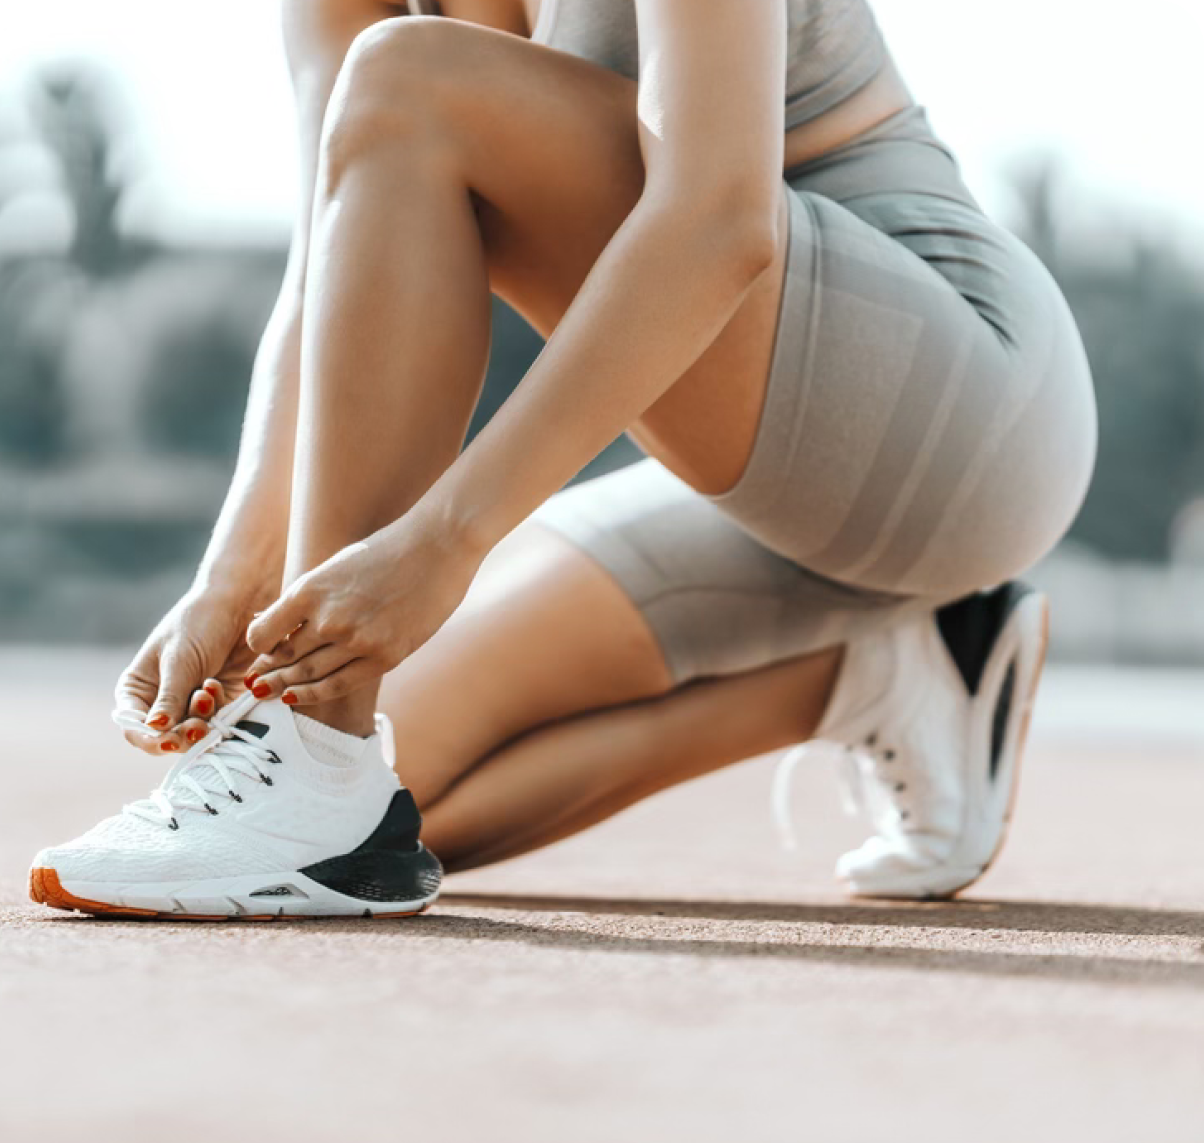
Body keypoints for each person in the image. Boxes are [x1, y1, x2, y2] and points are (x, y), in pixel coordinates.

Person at [29, 0, 1097, 919]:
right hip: (754, 488)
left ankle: (310, 750)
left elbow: (718, 219)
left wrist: (449, 540)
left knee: (411, 78)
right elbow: (328, 262)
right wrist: (234, 579)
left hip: (955, 410)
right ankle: (883, 670)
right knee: (388, 805)